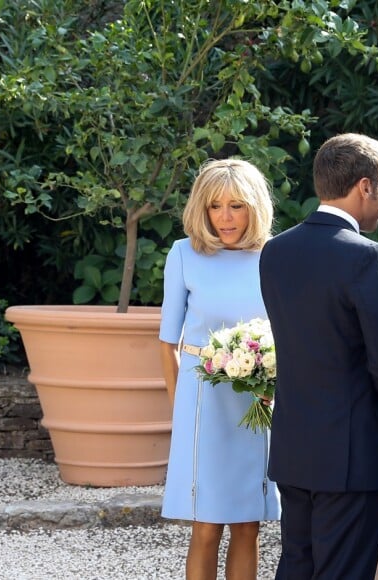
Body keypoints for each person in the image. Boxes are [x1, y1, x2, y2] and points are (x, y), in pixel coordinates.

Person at [259, 133, 378, 579]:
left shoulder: (275, 251)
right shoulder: (368, 257)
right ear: (363, 186)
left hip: (292, 449)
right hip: (350, 456)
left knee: (297, 568)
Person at [159, 158, 281, 580]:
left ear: (255, 208)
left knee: (248, 523)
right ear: (202, 209)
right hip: (201, 406)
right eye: (215, 206)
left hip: (255, 403)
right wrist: (180, 411)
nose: (225, 217)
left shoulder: (275, 256)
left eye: (236, 205)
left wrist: (274, 388)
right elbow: (166, 342)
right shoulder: (183, 255)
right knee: (206, 525)